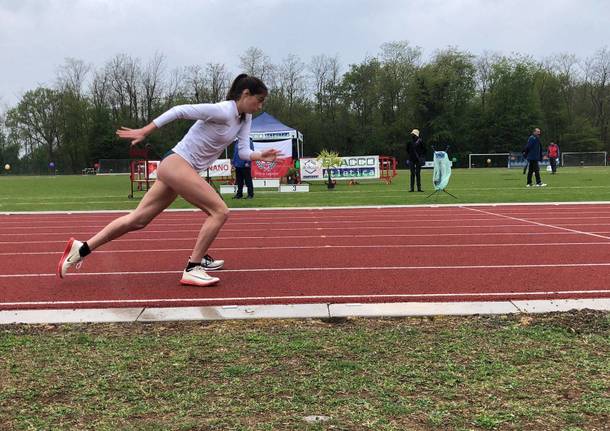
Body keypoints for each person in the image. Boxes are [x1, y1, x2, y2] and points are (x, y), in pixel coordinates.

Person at [57, 74, 281, 287]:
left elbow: (242, 151)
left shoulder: (245, 118)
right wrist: (146, 130)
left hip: (180, 169)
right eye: (259, 100)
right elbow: (179, 110)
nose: (260, 106)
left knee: (138, 220)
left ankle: (82, 248)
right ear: (245, 94)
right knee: (220, 211)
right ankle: (193, 267)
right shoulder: (223, 111)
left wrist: (259, 155)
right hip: (177, 164)